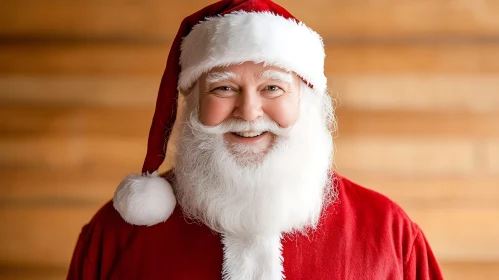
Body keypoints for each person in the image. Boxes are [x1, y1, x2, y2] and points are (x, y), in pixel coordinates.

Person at [67, 0, 443, 279]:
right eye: (224, 87)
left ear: (306, 101)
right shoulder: (115, 235)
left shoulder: (391, 235)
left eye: (273, 87)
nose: (248, 111)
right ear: (193, 102)